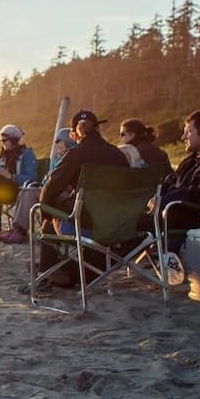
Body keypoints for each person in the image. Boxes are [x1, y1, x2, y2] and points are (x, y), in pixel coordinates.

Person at [37, 110, 128, 287]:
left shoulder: (76, 154)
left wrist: (45, 214)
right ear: (98, 129)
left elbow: (50, 188)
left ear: (74, 133)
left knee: (51, 208)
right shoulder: (118, 155)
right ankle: (69, 271)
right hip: (119, 226)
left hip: (86, 226)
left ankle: (47, 270)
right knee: (60, 205)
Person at [153, 110, 200, 244]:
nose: (183, 137)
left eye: (188, 132)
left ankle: (113, 259)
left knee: (127, 224)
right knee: (128, 218)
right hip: (171, 212)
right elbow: (167, 183)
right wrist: (156, 197)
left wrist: (166, 200)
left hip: (196, 217)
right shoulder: (189, 161)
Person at [0, 128, 77, 244]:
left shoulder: (71, 157)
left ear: (67, 142)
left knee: (29, 192)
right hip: (51, 190)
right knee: (27, 190)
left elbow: (61, 181)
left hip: (63, 194)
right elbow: (49, 178)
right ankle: (17, 229)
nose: (56, 144)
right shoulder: (58, 158)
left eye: (58, 141)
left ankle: (19, 231)